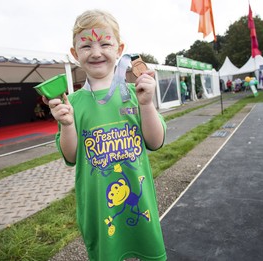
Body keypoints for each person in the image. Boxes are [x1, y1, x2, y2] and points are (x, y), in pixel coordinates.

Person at [43, 9, 167, 261]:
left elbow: (156, 142)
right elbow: (71, 157)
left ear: (119, 49)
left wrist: (146, 104)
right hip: (100, 212)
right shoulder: (72, 103)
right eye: (86, 45)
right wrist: (67, 124)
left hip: (140, 206)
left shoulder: (137, 93)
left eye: (105, 43)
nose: (97, 52)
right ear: (75, 54)